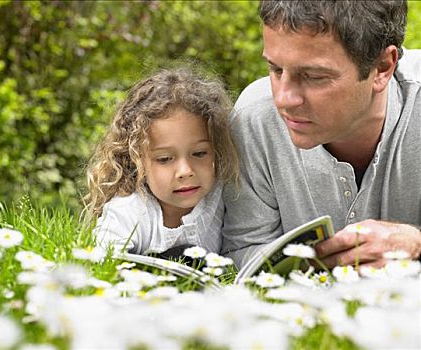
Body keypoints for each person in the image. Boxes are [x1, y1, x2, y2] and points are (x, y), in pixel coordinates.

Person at [222, 0, 421, 269]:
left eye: (314, 76)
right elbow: (242, 250)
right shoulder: (254, 119)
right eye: (276, 69)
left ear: (383, 67)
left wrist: (415, 243)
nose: (284, 99)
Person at [85, 67, 239, 257]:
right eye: (165, 159)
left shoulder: (223, 197)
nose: (185, 171)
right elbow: (101, 264)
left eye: (199, 153)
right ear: (137, 160)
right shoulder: (129, 213)